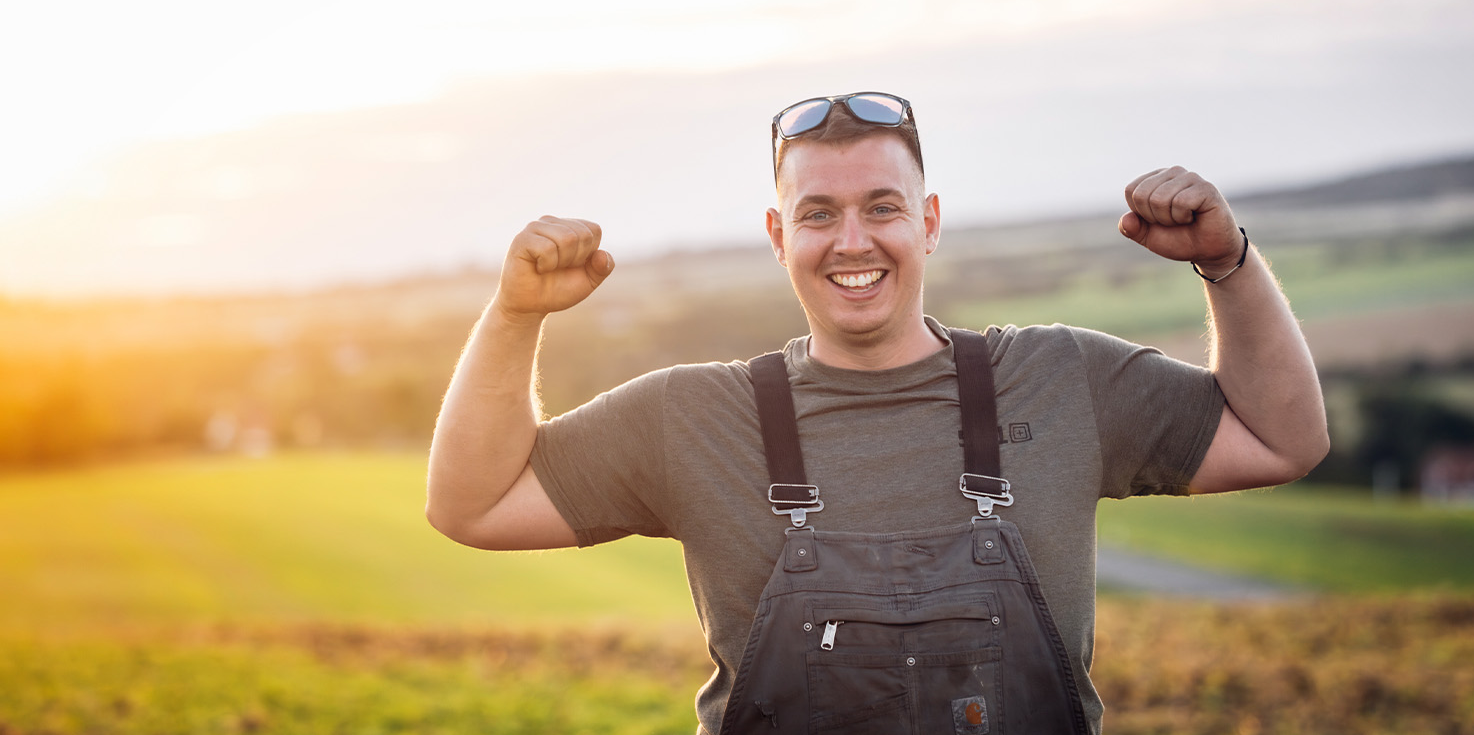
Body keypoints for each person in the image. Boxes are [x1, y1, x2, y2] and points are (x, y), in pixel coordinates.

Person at [426, 91, 1328, 734]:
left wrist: (1229, 264)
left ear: (928, 221)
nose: (852, 241)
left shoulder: (1062, 377)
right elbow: (471, 505)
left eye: (882, 207)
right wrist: (515, 317)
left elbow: (1283, 437)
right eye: (818, 213)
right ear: (780, 237)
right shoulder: (691, 416)